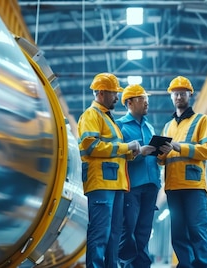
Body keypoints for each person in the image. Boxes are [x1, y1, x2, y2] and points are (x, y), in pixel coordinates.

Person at [78, 72, 141, 268]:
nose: (116, 97)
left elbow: (113, 149)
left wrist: (132, 153)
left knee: (114, 234)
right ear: (102, 93)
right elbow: (90, 147)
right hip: (101, 183)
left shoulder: (108, 118)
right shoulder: (91, 115)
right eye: (114, 93)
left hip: (116, 183)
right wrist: (125, 147)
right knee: (100, 232)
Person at [157, 76, 207, 268]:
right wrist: (159, 154)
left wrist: (178, 146)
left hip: (193, 186)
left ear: (190, 95)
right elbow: (163, 159)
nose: (179, 96)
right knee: (179, 234)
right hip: (173, 187)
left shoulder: (202, 121)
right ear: (171, 97)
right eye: (175, 93)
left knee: (197, 231)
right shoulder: (168, 126)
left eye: (182, 93)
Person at [115, 84, 160, 268]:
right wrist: (140, 152)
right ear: (130, 103)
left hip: (151, 184)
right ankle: (127, 264)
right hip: (131, 185)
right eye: (142, 98)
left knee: (144, 231)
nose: (147, 102)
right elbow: (117, 155)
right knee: (128, 231)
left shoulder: (149, 126)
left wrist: (161, 151)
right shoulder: (120, 126)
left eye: (146, 98)